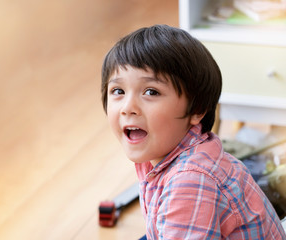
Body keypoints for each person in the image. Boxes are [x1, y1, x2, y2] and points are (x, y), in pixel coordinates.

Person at [101, 24, 286, 239]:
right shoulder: (157, 154)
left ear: (196, 110)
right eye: (118, 91)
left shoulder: (190, 180)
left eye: (151, 92)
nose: (127, 107)